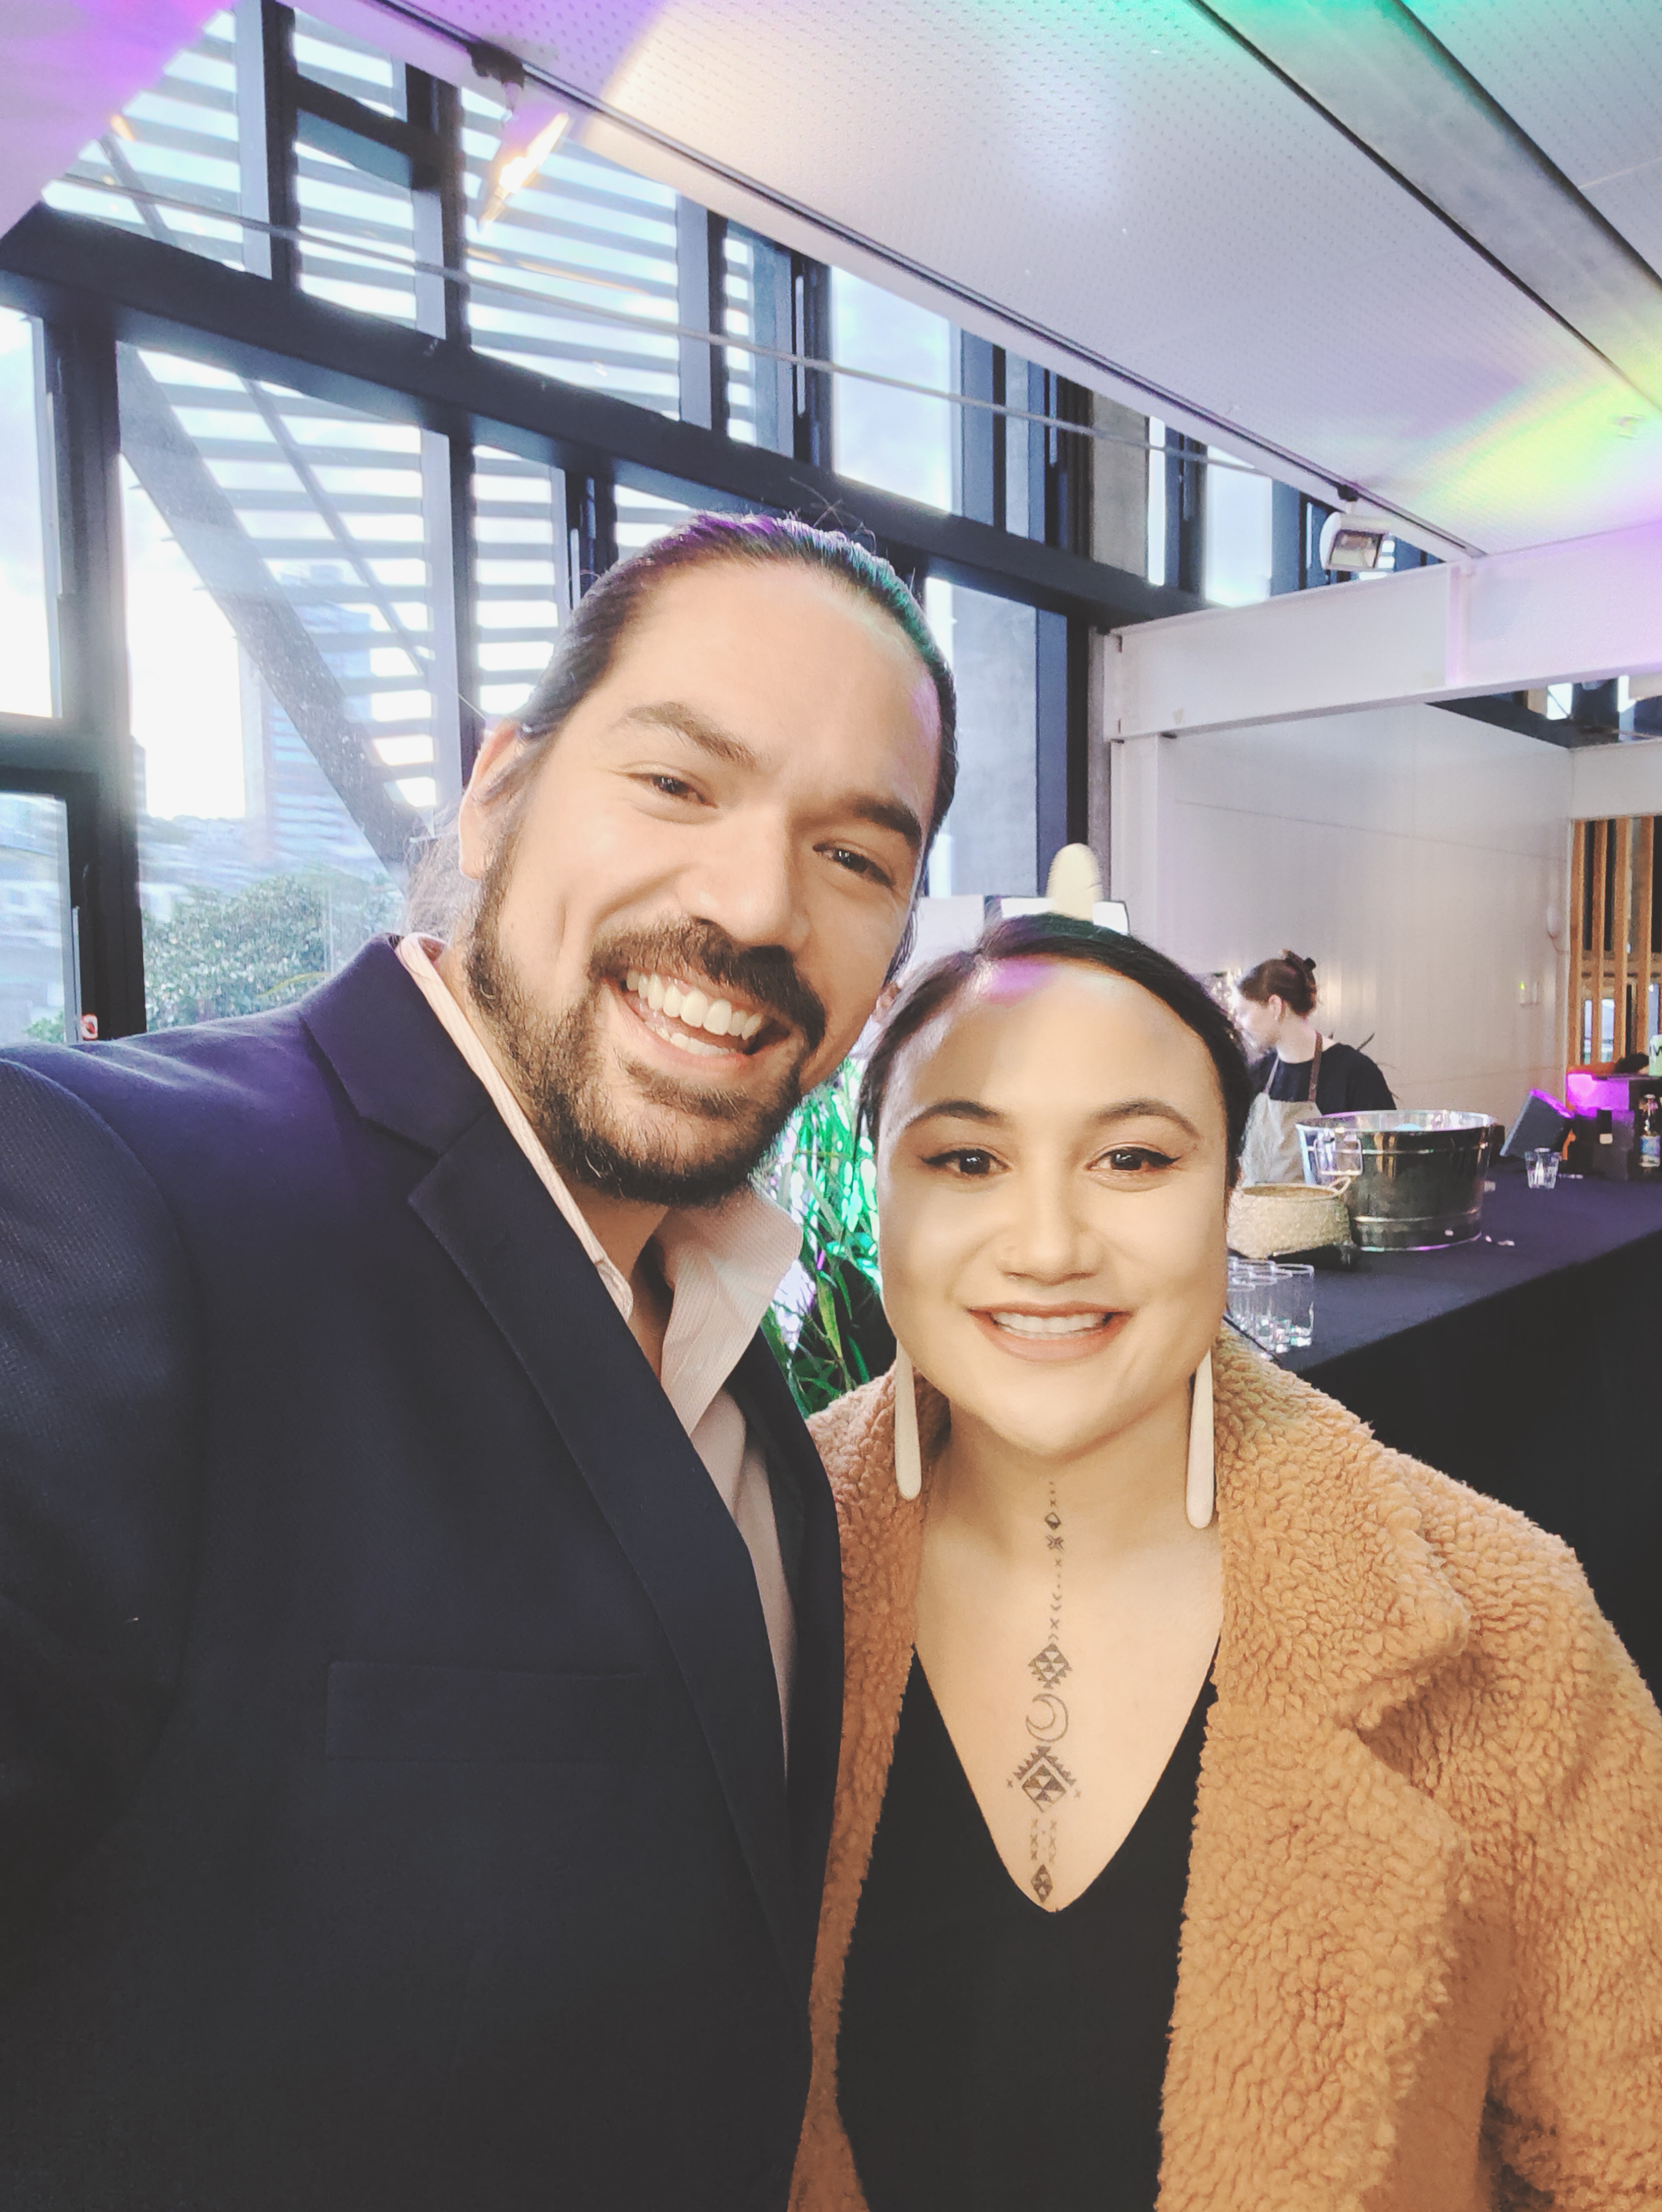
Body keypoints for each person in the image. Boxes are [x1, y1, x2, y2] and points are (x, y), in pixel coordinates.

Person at [0, 514, 953, 2212]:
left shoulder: (750, 1369)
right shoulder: (95, 1192)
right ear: (500, 789)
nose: (752, 903)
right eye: (678, 783)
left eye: (855, 857)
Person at [789, 914, 1662, 2212]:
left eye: (1134, 1157)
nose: (1046, 1245)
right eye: (966, 1157)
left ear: (1231, 1195)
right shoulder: (734, 1569)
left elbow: (1621, 2152)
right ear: (880, 1191)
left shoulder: (1510, 1630)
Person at [1231, 949, 1394, 1185]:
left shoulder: (1355, 1073)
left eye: (1244, 1012)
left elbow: (1384, 1168)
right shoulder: (1257, 1075)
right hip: (1259, 1220)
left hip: (1328, 1221)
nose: (1239, 1024)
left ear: (1276, 1006)